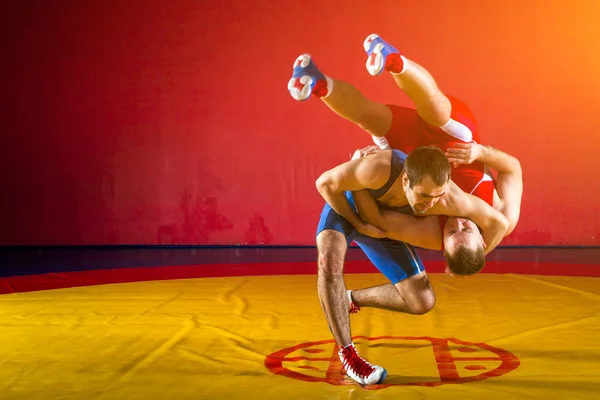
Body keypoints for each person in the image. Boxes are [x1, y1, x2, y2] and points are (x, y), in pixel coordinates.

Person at [289, 33, 523, 274]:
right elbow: (513, 168)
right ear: (483, 241)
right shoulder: (500, 217)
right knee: (437, 110)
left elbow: (381, 222)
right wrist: (479, 152)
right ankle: (393, 61)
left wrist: (359, 185)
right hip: (456, 143)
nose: (458, 222)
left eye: (452, 232)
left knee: (371, 118)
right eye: (468, 229)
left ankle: (316, 83)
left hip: (414, 154)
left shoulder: (432, 235)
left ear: (444, 247)